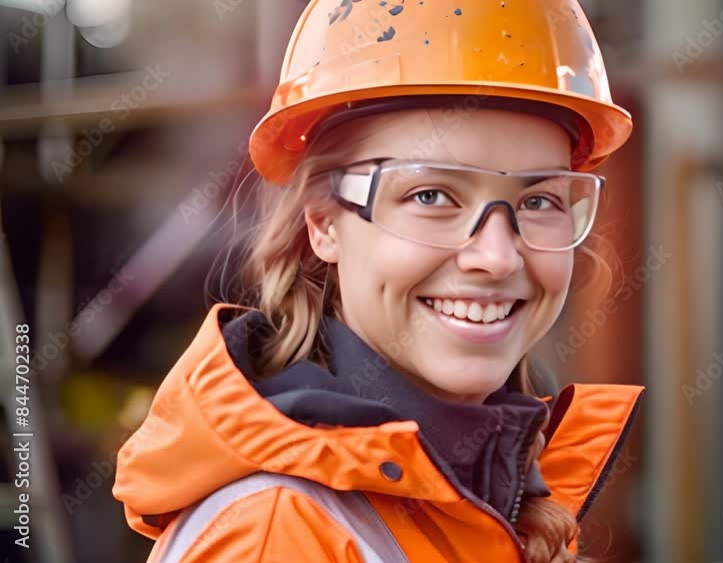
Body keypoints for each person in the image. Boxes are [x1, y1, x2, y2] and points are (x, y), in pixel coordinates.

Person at [113, 1, 643, 561]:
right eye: (430, 195)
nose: (497, 257)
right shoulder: (273, 536)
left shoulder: (499, 493)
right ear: (323, 223)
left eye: (539, 201)